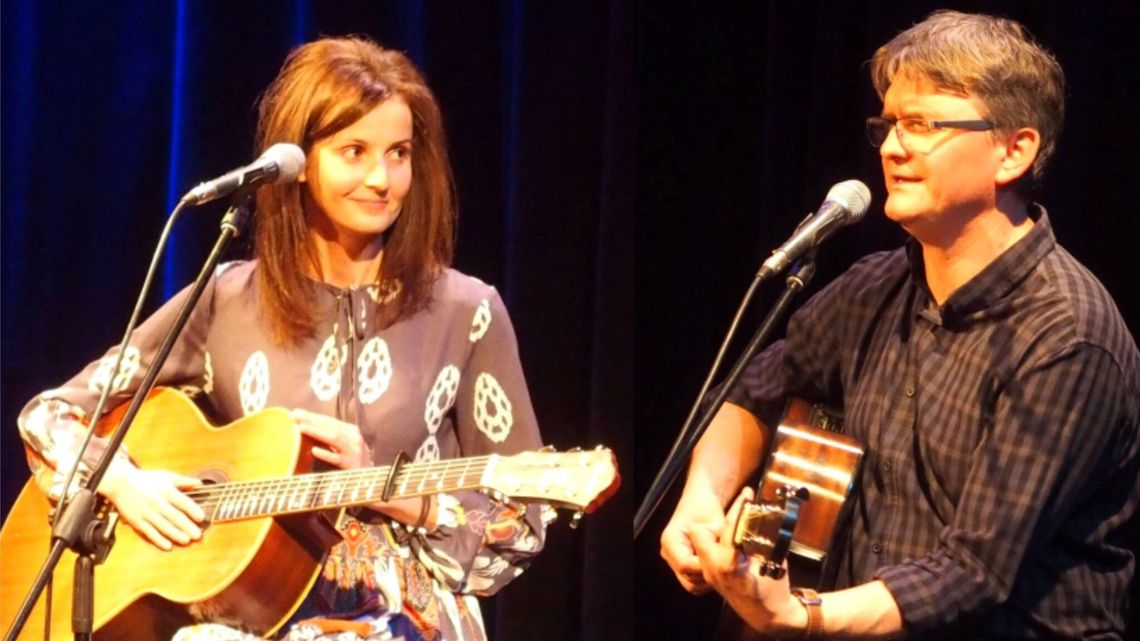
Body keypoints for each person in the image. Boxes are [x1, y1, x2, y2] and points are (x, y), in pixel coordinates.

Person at [18, 36, 551, 641]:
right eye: (354, 152)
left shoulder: (467, 310)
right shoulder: (226, 297)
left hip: (404, 619)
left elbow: (520, 522)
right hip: (246, 612)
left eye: (398, 154)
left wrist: (391, 492)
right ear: (301, 163)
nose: (382, 178)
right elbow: (52, 415)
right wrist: (122, 481)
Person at [661, 10, 1139, 640]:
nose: (890, 147)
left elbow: (970, 572)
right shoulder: (871, 287)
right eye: (888, 124)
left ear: (1012, 151)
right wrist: (700, 503)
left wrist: (798, 615)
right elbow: (751, 393)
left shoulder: (1067, 337)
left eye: (921, 125)